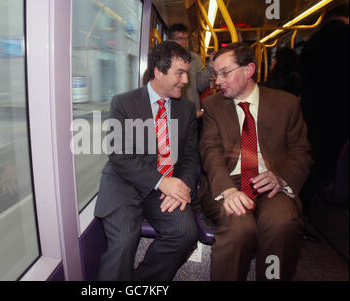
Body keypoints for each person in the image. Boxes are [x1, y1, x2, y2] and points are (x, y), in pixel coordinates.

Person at [198, 42, 313, 281]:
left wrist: (281, 178)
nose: (217, 81)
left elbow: (301, 152)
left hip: (271, 183)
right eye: (215, 74)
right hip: (229, 181)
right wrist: (227, 190)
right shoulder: (212, 106)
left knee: (281, 223)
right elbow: (210, 151)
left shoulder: (286, 104)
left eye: (225, 73)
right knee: (239, 228)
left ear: (249, 70)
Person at [95, 41, 200, 281]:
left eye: (187, 73)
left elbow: (191, 157)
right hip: (125, 183)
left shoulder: (186, 109)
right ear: (158, 72)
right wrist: (161, 181)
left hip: (165, 188)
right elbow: (119, 154)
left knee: (185, 233)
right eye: (179, 73)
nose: (185, 80)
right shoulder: (123, 103)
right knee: (123, 243)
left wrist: (181, 184)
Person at [299, 3, 349, 204]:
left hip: (315, 108)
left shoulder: (312, 43)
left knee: (315, 155)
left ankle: (309, 201)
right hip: (343, 108)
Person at [168, 23, 213, 119]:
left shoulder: (194, 59)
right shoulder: (165, 61)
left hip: (193, 112)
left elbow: (200, 86)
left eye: (186, 39)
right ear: (171, 41)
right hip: (172, 113)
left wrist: (210, 67)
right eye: (180, 39)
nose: (184, 42)